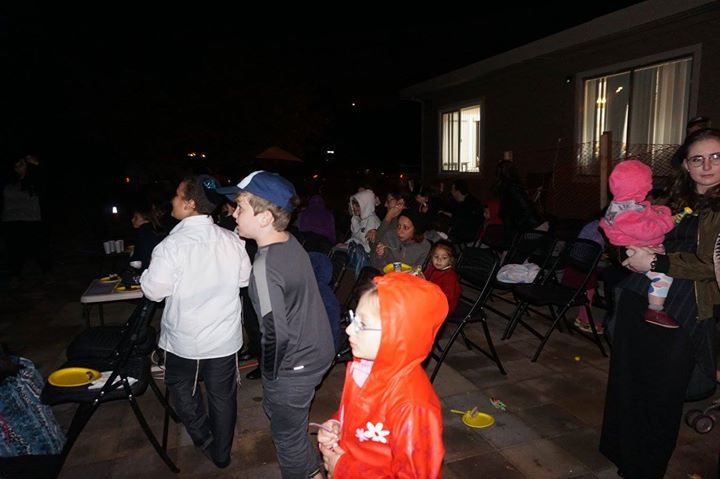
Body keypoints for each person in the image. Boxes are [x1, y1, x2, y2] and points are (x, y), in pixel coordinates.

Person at [600, 128, 720, 478]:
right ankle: (622, 453)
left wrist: (655, 262)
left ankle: (644, 468)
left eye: (716, 157)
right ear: (686, 165)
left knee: (662, 392)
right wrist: (627, 253)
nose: (707, 166)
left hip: (685, 309)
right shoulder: (672, 198)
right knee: (628, 381)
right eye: (698, 159)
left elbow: (710, 266)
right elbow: (621, 231)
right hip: (639, 297)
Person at [218, 170, 335, 478]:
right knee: (284, 416)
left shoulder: (264, 267)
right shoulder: (290, 241)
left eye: (241, 207)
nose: (234, 213)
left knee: (287, 437)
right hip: (319, 349)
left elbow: (274, 334)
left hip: (296, 363)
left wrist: (270, 376)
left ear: (266, 217)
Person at [140, 174, 251, 469]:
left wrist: (145, 274)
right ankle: (222, 453)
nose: (172, 200)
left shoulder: (171, 246)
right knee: (222, 396)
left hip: (183, 339)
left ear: (189, 204)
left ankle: (203, 438)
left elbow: (154, 291)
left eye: (177, 195)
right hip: (223, 338)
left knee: (181, 388)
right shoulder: (233, 240)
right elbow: (243, 280)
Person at [316, 273, 448, 478]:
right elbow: (359, 416)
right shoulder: (365, 368)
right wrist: (338, 425)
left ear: (398, 334)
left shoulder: (412, 406)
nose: (349, 329)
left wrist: (343, 468)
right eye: (353, 318)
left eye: (362, 324)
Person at [599, 160, 677, 328]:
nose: (650, 186)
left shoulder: (625, 202)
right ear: (638, 186)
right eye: (647, 183)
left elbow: (645, 211)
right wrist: (667, 221)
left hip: (635, 246)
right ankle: (655, 310)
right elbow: (647, 230)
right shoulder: (624, 213)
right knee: (663, 277)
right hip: (631, 250)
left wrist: (658, 211)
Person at [1, 154, 52, 287]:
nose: (19, 167)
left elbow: (48, 177)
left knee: (39, 248)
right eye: (16, 165)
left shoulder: (35, 182)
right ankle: (15, 275)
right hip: (11, 220)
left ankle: (46, 272)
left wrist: (37, 164)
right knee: (14, 250)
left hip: (31, 219)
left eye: (22, 164)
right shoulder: (8, 183)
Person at [494, 160, 543, 247]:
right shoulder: (512, 187)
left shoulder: (507, 188)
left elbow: (523, 208)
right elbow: (525, 207)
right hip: (524, 227)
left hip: (521, 227)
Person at [422, 240, 461, 313]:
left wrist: (428, 287)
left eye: (444, 258)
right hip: (430, 296)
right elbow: (424, 281)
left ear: (450, 260)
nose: (439, 260)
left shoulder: (450, 277)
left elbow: (447, 297)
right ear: (431, 257)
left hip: (443, 305)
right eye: (436, 256)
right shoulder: (431, 268)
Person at [128, 203, 165, 270]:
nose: (132, 220)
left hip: (150, 271)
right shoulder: (159, 230)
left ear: (146, 219)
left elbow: (139, 259)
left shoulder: (143, 232)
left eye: (136, 217)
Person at [446, 180, 484, 244]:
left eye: (452, 190)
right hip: (472, 236)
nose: (451, 192)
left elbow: (457, 222)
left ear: (458, 192)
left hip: (464, 236)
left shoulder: (463, 206)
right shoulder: (475, 201)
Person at [346, 189, 381, 253]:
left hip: (366, 257)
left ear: (366, 205)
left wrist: (348, 245)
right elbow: (354, 238)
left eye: (357, 205)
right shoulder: (356, 220)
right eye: (353, 203)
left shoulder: (372, 220)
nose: (354, 207)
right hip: (354, 253)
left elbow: (369, 248)